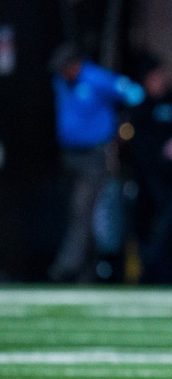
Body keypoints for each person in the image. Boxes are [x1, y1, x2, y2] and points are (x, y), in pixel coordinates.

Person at [48, 42, 144, 282]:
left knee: (85, 207)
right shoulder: (61, 81)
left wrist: (120, 124)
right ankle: (84, 268)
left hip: (94, 155)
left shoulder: (96, 78)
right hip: (70, 155)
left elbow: (134, 93)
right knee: (77, 210)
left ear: (76, 64)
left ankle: (70, 266)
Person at [127, 55, 172, 283]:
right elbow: (135, 141)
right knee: (144, 223)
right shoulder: (140, 104)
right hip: (146, 176)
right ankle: (147, 271)